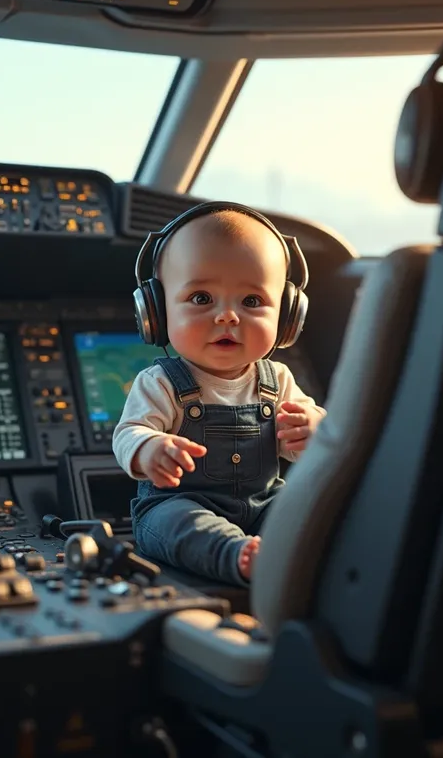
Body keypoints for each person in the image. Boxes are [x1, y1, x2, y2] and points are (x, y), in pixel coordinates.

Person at [112, 204, 326, 586]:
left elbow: (307, 448)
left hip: (263, 505)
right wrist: (150, 449)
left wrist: (313, 431)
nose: (227, 317)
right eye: (200, 298)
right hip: (177, 503)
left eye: (251, 301)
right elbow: (129, 433)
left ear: (287, 316)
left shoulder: (277, 378)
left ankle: (300, 552)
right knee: (178, 524)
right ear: (157, 312)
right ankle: (238, 556)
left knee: (306, 511)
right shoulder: (160, 382)